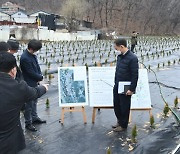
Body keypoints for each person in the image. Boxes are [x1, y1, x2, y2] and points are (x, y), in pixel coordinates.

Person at [0, 52, 48, 154]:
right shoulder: (18, 87)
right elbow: (36, 92)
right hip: (8, 143)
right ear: (13, 70)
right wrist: (44, 87)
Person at [112, 38, 139, 132]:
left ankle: (123, 125)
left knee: (124, 106)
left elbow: (135, 75)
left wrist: (131, 89)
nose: (116, 50)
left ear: (121, 46)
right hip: (117, 84)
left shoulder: (132, 58)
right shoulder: (119, 57)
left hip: (126, 86)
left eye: (116, 48)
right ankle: (119, 121)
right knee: (116, 104)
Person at [20, 39, 46, 132]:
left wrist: (39, 76)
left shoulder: (32, 55)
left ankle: (34, 118)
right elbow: (30, 72)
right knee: (29, 104)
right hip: (29, 83)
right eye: (36, 50)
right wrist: (40, 77)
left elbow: (37, 67)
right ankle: (28, 123)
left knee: (35, 101)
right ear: (31, 48)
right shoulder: (25, 58)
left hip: (35, 82)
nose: (36, 52)